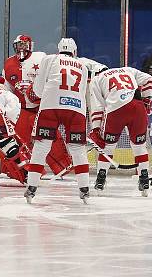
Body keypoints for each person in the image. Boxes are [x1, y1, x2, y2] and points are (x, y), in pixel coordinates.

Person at [23, 38, 91, 204]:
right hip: (76, 109)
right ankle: (84, 189)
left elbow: (38, 90)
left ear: (59, 49)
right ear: (74, 52)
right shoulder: (83, 65)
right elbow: (84, 92)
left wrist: (33, 95)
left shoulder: (50, 59)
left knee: (41, 146)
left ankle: (31, 188)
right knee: (77, 149)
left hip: (51, 105)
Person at [0, 34, 71, 176]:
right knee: (16, 139)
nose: (21, 47)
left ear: (31, 45)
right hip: (22, 109)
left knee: (49, 136)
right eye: (19, 45)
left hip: (40, 108)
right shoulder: (9, 63)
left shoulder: (41, 57)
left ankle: (62, 166)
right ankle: (14, 168)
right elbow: (6, 87)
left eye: (24, 44)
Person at [89, 65, 152, 196]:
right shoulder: (127, 69)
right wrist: (147, 100)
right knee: (139, 146)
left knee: (107, 146)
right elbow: (149, 79)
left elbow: (97, 107)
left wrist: (96, 129)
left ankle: (101, 179)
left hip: (115, 110)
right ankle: (144, 180)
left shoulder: (96, 79)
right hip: (137, 106)